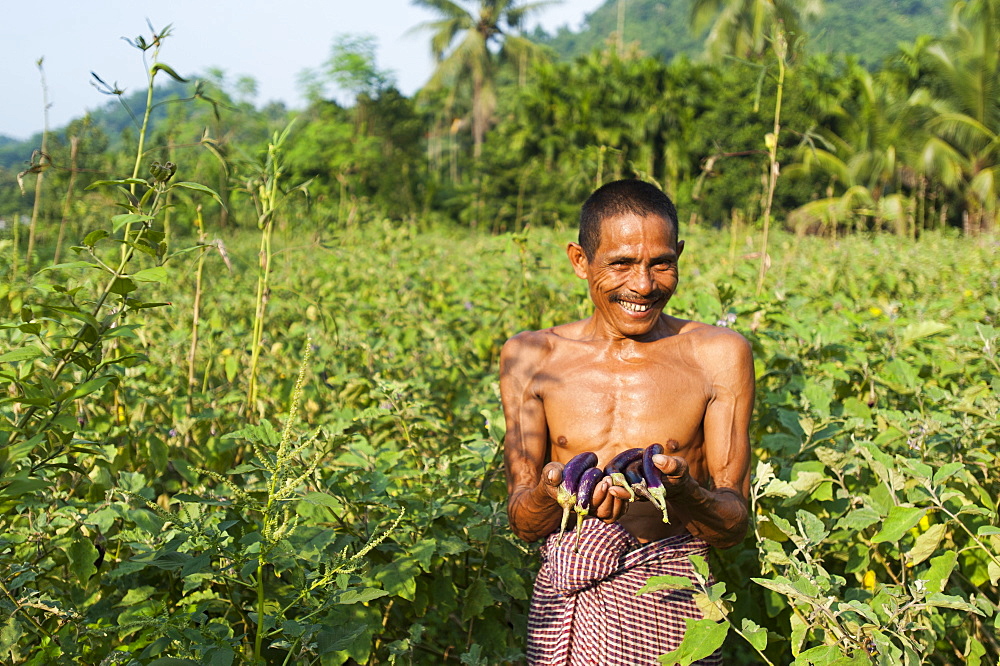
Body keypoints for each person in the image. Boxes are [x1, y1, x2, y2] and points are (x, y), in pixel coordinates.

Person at [499, 179, 754, 666]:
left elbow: (731, 526)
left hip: (673, 598)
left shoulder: (718, 355)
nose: (643, 285)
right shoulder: (531, 356)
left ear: (679, 254)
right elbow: (524, 523)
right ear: (580, 260)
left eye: (661, 263)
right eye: (620, 264)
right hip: (569, 597)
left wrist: (683, 492)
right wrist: (554, 492)